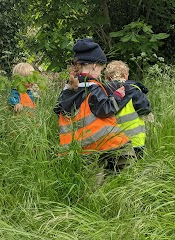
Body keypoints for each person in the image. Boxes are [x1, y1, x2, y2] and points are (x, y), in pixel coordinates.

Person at [53, 38, 135, 175]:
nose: (100, 75)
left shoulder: (67, 88)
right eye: (101, 71)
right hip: (100, 139)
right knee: (126, 155)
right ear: (95, 66)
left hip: (76, 146)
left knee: (92, 179)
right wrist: (117, 96)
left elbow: (58, 109)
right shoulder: (93, 87)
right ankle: (123, 183)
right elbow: (105, 109)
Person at [104, 60, 152, 159]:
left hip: (111, 141)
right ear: (126, 75)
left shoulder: (102, 91)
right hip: (135, 140)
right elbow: (144, 108)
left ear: (107, 77)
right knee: (135, 169)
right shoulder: (134, 90)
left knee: (114, 169)